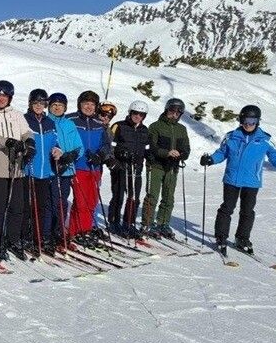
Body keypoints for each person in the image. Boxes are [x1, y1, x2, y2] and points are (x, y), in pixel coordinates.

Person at [201, 105, 276, 255]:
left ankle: (242, 238)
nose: (248, 124)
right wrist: (211, 159)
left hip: (252, 181)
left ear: (257, 121)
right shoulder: (231, 136)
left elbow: (275, 156)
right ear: (240, 120)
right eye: (245, 120)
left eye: (252, 121)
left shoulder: (265, 139)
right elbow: (221, 153)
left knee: (247, 211)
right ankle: (221, 237)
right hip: (232, 179)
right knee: (227, 209)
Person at [0, 80, 35, 259]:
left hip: (16, 164)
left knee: (17, 205)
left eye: (4, 96)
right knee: (0, 203)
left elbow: (26, 131)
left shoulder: (16, 114)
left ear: (9, 98)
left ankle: (12, 238)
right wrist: (7, 141)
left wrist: (30, 141)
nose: (1, 99)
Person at [141, 97, 190, 239]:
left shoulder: (182, 129)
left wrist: (181, 155)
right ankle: (147, 223)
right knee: (152, 196)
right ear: (166, 110)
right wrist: (166, 153)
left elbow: (186, 148)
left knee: (169, 197)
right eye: (172, 111)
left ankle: (163, 223)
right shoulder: (156, 126)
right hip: (156, 165)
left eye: (178, 112)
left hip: (172, 167)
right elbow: (151, 147)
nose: (174, 114)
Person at [67, 91, 112, 245]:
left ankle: (85, 229)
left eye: (92, 104)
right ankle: (75, 230)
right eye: (85, 103)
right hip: (78, 166)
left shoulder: (100, 124)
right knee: (80, 201)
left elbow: (106, 145)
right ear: (79, 104)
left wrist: (100, 155)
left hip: (95, 168)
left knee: (92, 201)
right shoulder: (71, 120)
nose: (88, 107)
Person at [22, 89, 62, 255]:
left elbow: (55, 141)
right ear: (31, 103)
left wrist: (57, 150)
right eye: (35, 103)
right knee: (26, 206)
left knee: (41, 207)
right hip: (28, 170)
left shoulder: (49, 123)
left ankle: (39, 236)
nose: (39, 106)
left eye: (42, 103)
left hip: (45, 172)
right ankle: (25, 236)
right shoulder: (24, 120)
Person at [45, 93, 82, 252]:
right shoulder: (46, 123)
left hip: (66, 171)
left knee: (62, 202)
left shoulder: (69, 124)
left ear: (65, 107)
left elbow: (78, 146)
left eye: (60, 105)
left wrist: (72, 155)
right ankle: (49, 233)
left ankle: (60, 231)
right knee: (51, 203)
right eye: (54, 105)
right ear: (49, 107)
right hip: (51, 171)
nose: (57, 108)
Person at [108, 100, 149, 237]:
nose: (138, 116)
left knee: (134, 197)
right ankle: (114, 222)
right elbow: (110, 145)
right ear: (130, 113)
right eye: (135, 113)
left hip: (136, 168)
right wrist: (119, 154)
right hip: (120, 167)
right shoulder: (118, 126)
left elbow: (147, 148)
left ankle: (129, 223)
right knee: (118, 196)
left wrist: (149, 156)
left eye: (141, 114)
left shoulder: (144, 130)